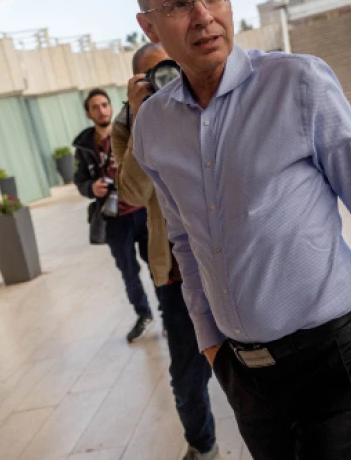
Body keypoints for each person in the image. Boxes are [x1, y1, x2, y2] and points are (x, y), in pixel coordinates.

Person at [129, 0, 351, 460]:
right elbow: (183, 241)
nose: (204, 17)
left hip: (333, 360)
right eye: (179, 5)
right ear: (149, 27)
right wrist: (210, 343)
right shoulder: (153, 127)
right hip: (244, 374)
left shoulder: (297, 84)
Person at [110, 42, 219, 460]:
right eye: (152, 74)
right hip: (176, 270)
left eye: (168, 69)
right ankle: (204, 446)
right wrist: (142, 119)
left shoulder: (205, 102)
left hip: (227, 259)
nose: (164, 79)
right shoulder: (127, 124)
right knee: (187, 378)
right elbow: (133, 191)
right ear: (136, 83)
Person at [73, 89, 154, 343]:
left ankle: (167, 315)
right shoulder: (84, 146)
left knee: (158, 266)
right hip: (113, 217)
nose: (101, 110)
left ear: (111, 107)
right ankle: (144, 315)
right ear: (88, 113)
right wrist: (90, 188)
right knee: (128, 270)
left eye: (105, 105)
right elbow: (80, 180)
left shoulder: (126, 130)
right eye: (95, 107)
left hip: (142, 210)